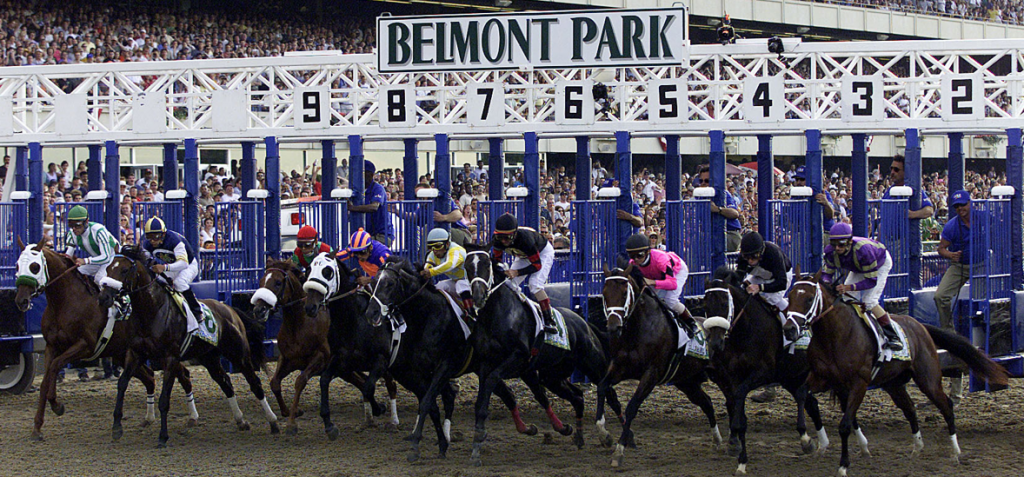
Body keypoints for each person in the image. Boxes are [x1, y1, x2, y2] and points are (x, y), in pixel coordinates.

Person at [820, 222, 901, 351]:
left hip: (879, 264)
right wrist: (827, 284)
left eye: (841, 244)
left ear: (849, 242)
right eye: (834, 244)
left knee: (869, 301)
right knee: (845, 299)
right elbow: (827, 274)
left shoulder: (863, 251)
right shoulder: (830, 251)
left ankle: (892, 336)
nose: (837, 248)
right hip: (858, 266)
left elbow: (870, 281)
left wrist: (848, 287)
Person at [933, 190, 975, 407]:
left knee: (979, 301)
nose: (961, 209)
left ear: (970, 202)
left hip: (982, 265)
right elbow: (941, 248)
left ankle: (982, 327)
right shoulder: (951, 225)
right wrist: (950, 255)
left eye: (963, 205)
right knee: (940, 296)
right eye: (957, 206)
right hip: (959, 266)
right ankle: (947, 328)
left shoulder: (985, 218)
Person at [490, 213, 557, 333]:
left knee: (535, 284)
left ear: (515, 234)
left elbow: (537, 266)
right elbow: (497, 261)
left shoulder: (525, 239)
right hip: (522, 255)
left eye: (507, 238)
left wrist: (517, 272)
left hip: (542, 253)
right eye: (501, 237)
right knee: (509, 284)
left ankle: (549, 320)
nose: (504, 241)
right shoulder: (497, 240)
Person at [624, 234, 696, 330]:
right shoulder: (632, 264)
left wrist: (653, 282)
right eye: (632, 256)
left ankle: (691, 323)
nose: (636, 259)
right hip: (656, 275)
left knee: (670, 300)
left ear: (648, 251)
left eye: (639, 255)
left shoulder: (661, 259)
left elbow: (672, 284)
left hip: (677, 272)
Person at [140, 217, 202, 326]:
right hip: (169, 265)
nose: (153, 240)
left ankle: (196, 311)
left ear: (163, 234)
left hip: (188, 265)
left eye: (156, 236)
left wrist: (164, 268)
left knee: (179, 283)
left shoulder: (174, 240)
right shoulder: (147, 245)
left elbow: (183, 263)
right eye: (149, 237)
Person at [736, 232, 794, 340]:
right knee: (744, 291)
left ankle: (792, 323)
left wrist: (760, 287)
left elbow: (781, 283)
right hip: (760, 275)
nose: (750, 260)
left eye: (754, 256)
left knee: (771, 299)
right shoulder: (743, 258)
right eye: (746, 257)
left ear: (761, 252)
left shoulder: (773, 253)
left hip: (781, 276)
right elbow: (738, 278)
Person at [64, 205, 120, 289]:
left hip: (113, 257)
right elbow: (68, 256)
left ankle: (123, 295)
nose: (74, 229)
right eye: (71, 225)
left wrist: (85, 261)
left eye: (78, 225)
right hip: (97, 259)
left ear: (86, 222)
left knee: (99, 279)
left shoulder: (98, 231)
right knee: (76, 273)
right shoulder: (71, 234)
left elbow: (106, 257)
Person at [419, 228, 473, 312]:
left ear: (447, 244)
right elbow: (427, 266)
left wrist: (431, 272)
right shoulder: (432, 254)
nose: (434, 251)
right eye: (430, 247)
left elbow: (450, 264)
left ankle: (471, 313)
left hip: (471, 283)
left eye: (437, 246)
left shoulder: (456, 250)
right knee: (439, 286)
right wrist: (424, 272)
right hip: (456, 281)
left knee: (461, 284)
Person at [347, 161, 394, 247]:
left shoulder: (378, 188)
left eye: (363, 174)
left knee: (358, 247)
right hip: (368, 235)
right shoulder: (358, 191)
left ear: (370, 174)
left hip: (382, 235)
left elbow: (374, 207)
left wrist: (352, 208)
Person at [698, 165, 742, 252]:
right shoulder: (700, 196)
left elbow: (735, 214)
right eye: (701, 181)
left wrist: (717, 209)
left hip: (730, 234)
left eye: (706, 181)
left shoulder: (724, 194)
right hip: (709, 235)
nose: (703, 183)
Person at [794, 166, 836, 241]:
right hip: (803, 234)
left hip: (824, 233)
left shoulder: (822, 194)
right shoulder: (795, 195)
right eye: (797, 179)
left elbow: (830, 215)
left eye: (802, 179)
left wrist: (826, 204)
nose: (798, 182)